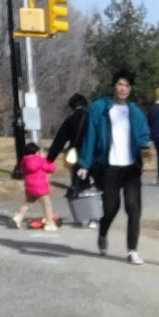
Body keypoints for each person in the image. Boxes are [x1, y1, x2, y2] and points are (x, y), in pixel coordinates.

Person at [77, 67, 151, 265]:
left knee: (134, 209)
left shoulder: (135, 112)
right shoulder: (100, 108)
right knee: (111, 207)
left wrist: (145, 146)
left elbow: (143, 136)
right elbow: (91, 136)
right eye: (119, 84)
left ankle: (132, 251)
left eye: (126, 85)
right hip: (110, 166)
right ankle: (103, 232)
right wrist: (84, 163)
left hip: (131, 167)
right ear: (114, 86)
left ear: (130, 89)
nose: (122, 88)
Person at [46, 93, 96, 226]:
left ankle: (80, 217)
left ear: (73, 106)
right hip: (93, 156)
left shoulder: (70, 120)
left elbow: (59, 142)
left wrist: (49, 159)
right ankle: (94, 218)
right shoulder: (92, 118)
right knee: (92, 187)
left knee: (78, 186)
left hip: (75, 157)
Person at [11, 143, 57, 231]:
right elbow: (51, 169)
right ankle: (49, 223)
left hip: (29, 186)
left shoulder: (24, 161)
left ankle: (18, 218)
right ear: (36, 152)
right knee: (47, 205)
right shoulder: (41, 160)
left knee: (28, 203)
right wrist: (45, 159)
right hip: (41, 187)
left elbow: (22, 170)